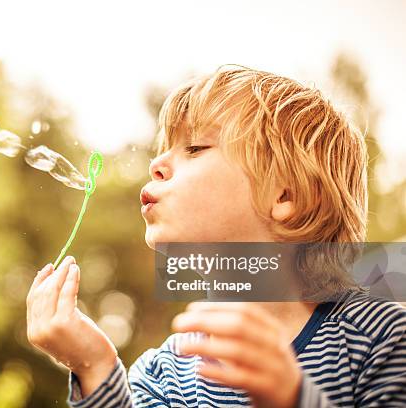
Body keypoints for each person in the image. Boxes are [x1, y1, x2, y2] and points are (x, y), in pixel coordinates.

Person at [26, 66, 406, 407]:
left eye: (194, 148)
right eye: (163, 151)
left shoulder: (381, 339)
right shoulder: (165, 375)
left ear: (284, 195)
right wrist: (96, 367)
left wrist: (293, 397)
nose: (155, 165)